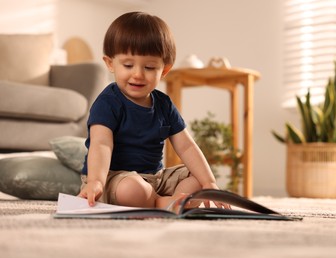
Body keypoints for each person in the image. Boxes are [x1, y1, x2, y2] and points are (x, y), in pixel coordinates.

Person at [78, 11, 229, 210]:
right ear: (110, 63)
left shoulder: (164, 104)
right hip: (112, 177)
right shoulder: (108, 102)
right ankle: (162, 203)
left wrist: (209, 182)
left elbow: (187, 147)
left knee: (198, 177)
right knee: (131, 190)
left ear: (164, 70)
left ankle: (171, 200)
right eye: (128, 65)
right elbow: (101, 145)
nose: (138, 74)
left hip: (155, 178)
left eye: (149, 67)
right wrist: (95, 182)